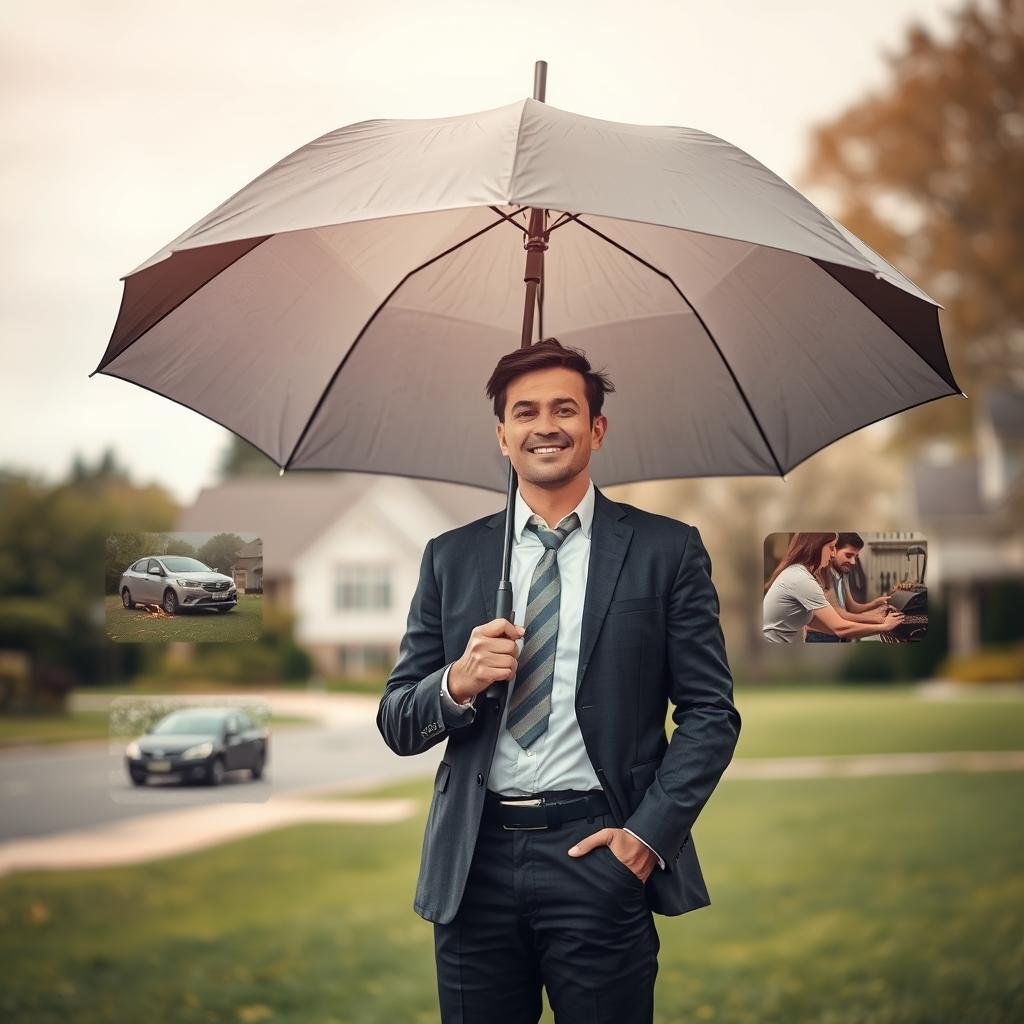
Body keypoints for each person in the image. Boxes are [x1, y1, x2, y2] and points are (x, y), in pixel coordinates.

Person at [377, 338, 741, 1023]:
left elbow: (710, 713)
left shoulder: (667, 550)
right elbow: (398, 720)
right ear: (503, 436)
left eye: (564, 409)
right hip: (473, 864)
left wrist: (644, 839)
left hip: (598, 854)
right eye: (526, 412)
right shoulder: (450, 557)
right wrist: (456, 682)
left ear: (596, 429)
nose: (545, 425)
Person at [762, 533, 904, 644]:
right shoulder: (801, 579)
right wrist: (882, 625)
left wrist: (876, 619)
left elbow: (820, 624)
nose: (833, 554)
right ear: (816, 546)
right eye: (831, 547)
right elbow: (840, 627)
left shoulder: (801, 574)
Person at [805, 532, 897, 643]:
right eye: (848, 555)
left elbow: (852, 607)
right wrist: (878, 619)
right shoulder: (824, 574)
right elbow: (840, 614)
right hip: (820, 637)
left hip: (838, 636)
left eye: (856, 557)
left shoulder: (844, 573)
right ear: (833, 551)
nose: (853, 562)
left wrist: (875, 604)